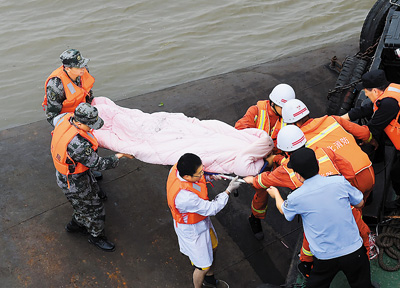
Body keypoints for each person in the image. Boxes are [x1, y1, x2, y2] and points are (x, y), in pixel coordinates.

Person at [243, 125, 371, 277]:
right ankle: (364, 262)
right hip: (345, 208)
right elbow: (347, 170)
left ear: (285, 151)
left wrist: (252, 179)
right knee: (362, 236)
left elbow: (265, 181)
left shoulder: (286, 171)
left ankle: (306, 265)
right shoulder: (324, 151)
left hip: (316, 216)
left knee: (311, 237)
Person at [267, 147, 372, 288]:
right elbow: (360, 202)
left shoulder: (296, 197)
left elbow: (285, 212)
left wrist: (276, 195)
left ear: (297, 175)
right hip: (354, 252)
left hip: (325, 257)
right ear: (317, 163)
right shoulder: (339, 182)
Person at [50, 103, 133, 252]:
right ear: (79, 123)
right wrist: (119, 156)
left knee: (83, 203)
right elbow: (98, 163)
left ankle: (75, 225)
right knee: (95, 209)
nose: (93, 128)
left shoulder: (65, 119)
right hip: (74, 182)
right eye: (91, 125)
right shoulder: (78, 145)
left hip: (71, 174)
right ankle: (96, 236)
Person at [166, 153, 241, 288]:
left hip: (201, 222)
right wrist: (228, 191)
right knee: (203, 266)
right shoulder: (185, 197)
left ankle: (210, 280)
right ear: (187, 177)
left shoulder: (178, 169)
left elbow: (199, 179)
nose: (202, 174)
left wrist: (210, 176)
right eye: (199, 173)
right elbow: (212, 208)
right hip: (192, 230)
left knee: (213, 247)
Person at [282, 98, 375, 199]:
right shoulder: (332, 120)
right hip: (368, 172)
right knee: (364, 199)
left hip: (345, 184)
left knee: (354, 211)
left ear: (292, 124)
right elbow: (365, 134)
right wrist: (372, 141)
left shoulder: (298, 143)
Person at [235, 84, 295, 239]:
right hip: (260, 161)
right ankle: (255, 218)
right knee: (262, 191)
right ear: (273, 104)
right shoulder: (256, 112)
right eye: (284, 107)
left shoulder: (289, 116)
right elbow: (240, 131)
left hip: (279, 159)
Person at [342, 69, 400, 200]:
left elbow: (371, 129)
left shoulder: (388, 104)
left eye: (366, 92)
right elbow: (367, 109)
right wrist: (340, 118)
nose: (366, 95)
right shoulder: (391, 90)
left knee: (397, 174)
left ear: (375, 91)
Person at [43, 49, 95, 126]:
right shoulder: (56, 85)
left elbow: (89, 93)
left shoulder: (83, 71)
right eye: (78, 67)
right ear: (67, 68)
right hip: (68, 117)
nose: (83, 68)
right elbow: (52, 115)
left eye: (83, 64)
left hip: (83, 109)